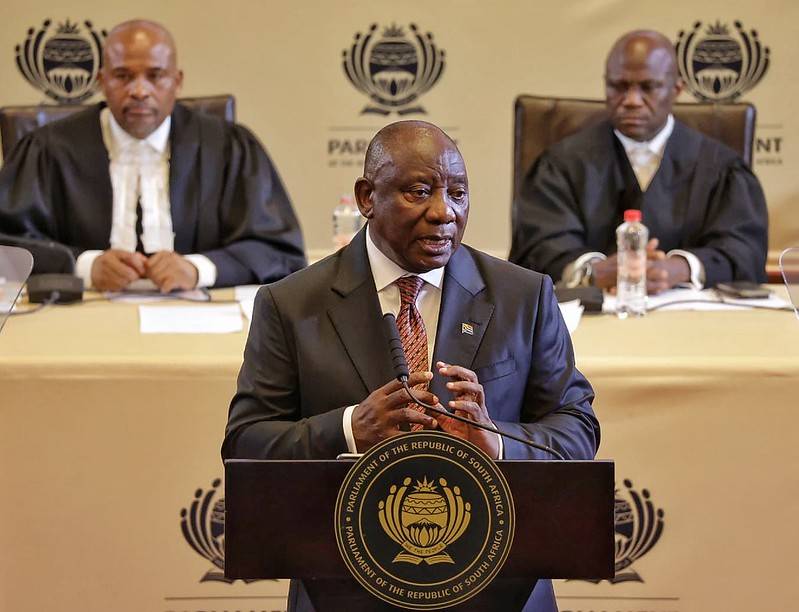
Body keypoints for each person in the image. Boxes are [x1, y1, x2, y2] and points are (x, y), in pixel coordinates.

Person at [223, 120, 599, 612]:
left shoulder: (524, 296)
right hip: (346, 585)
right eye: (419, 192)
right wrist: (349, 428)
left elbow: (577, 429)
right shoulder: (291, 304)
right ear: (367, 198)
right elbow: (245, 443)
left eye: (458, 193)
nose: (444, 212)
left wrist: (498, 442)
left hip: (498, 582)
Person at [0, 19, 305, 291]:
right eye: (122, 76)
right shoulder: (48, 149)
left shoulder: (229, 148)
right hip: (77, 317)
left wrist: (198, 269)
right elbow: (6, 247)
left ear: (177, 81)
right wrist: (85, 266)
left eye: (155, 75)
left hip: (198, 317)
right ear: (101, 81)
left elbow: (280, 252)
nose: (139, 91)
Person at [509, 30, 768, 293]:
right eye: (618, 86)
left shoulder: (721, 167)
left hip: (694, 314)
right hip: (588, 314)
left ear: (676, 89)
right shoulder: (561, 164)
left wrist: (681, 268)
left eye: (648, 87)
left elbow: (745, 252)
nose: (632, 101)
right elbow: (537, 248)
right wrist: (592, 271)